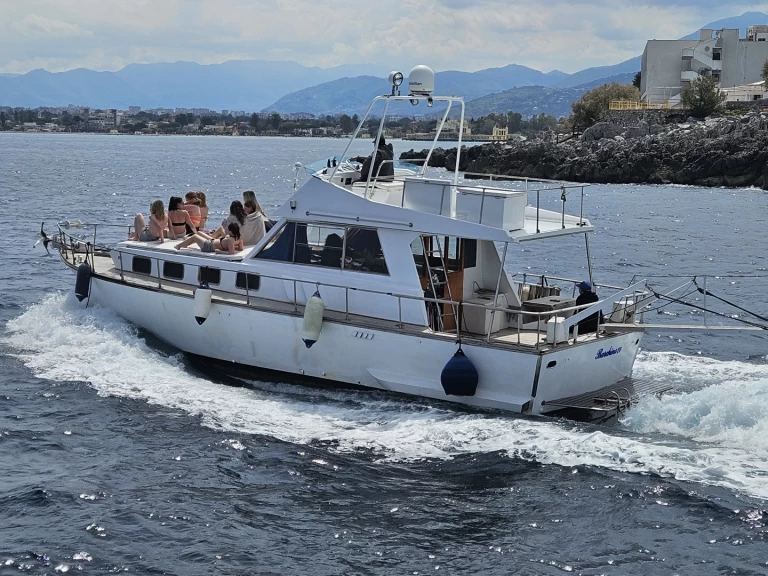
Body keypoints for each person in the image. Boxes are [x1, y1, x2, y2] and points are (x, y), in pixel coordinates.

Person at [175, 222, 243, 255]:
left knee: (194, 237)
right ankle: (186, 243)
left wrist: (220, 252)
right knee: (199, 233)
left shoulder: (231, 240)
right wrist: (231, 247)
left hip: (208, 246)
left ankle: (178, 246)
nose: (226, 231)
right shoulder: (239, 238)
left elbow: (231, 253)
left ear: (231, 231)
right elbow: (240, 248)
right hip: (212, 242)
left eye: (227, 230)